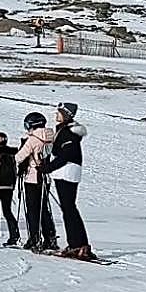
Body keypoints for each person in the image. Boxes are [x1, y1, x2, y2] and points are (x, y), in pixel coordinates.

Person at [41, 102, 95, 260]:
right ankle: (77, 244)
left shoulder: (69, 132)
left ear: (66, 114)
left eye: (59, 112)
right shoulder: (65, 130)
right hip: (65, 171)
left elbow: (66, 155)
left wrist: (48, 167)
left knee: (69, 208)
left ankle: (78, 244)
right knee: (69, 209)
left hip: (67, 172)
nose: (55, 115)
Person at [14, 112, 58, 251]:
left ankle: (34, 238)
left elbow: (19, 157)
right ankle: (50, 237)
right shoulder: (51, 136)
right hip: (46, 177)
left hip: (32, 178)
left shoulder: (33, 139)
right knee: (44, 208)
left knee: (33, 210)